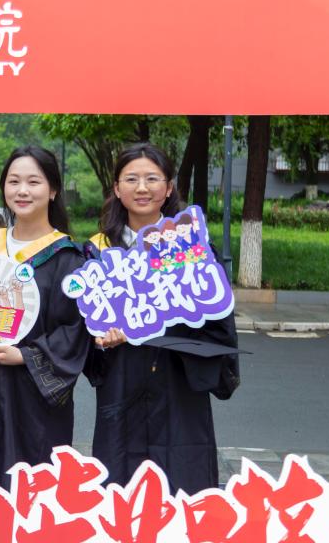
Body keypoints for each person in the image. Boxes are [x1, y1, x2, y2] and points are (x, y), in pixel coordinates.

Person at [82, 142, 240, 494]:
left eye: (152, 178)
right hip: (122, 387)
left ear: (168, 188)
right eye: (131, 179)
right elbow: (83, 329)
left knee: (183, 492)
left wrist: (166, 324)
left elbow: (220, 326)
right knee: (121, 494)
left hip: (178, 385)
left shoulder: (193, 248)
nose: (142, 188)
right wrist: (100, 341)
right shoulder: (98, 253)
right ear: (117, 189)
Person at [0, 145, 89, 492]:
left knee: (37, 483)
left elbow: (76, 329)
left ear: (53, 190)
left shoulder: (69, 257)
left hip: (38, 399)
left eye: (34, 182)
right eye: (14, 181)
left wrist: (26, 355)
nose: (22, 190)